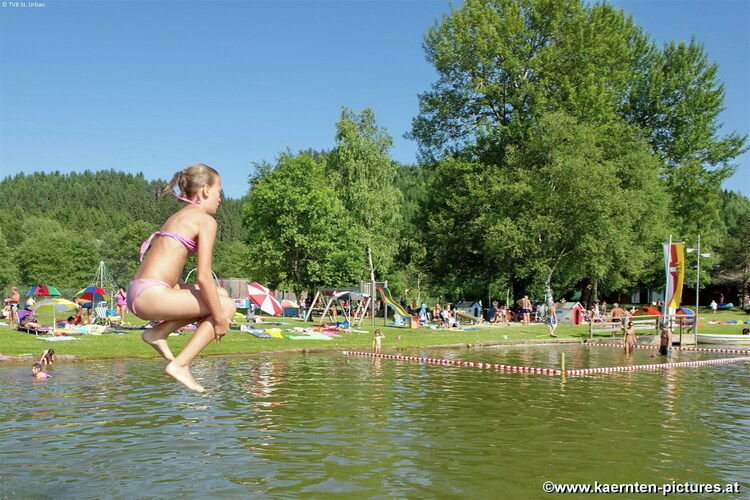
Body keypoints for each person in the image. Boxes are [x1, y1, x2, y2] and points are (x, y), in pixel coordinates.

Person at [127, 163, 236, 392]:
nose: (220, 199)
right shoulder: (205, 220)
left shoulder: (179, 216)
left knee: (221, 294)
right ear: (206, 190)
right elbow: (204, 276)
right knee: (226, 306)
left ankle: (158, 332)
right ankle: (181, 365)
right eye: (219, 191)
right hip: (152, 295)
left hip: (138, 291)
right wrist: (220, 319)